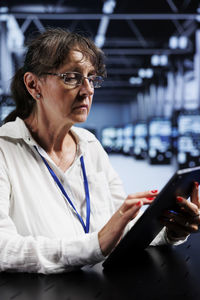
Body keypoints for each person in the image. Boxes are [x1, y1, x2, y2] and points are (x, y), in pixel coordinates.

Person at [0, 28, 199, 274]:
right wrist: (95, 245)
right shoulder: (4, 151)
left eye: (92, 78)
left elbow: (120, 229)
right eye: (71, 77)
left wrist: (168, 231)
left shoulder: (90, 146)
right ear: (33, 85)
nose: (88, 90)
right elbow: (3, 248)